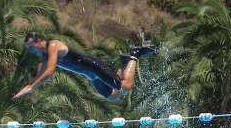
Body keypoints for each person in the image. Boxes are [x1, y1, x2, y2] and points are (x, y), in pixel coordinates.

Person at [13, 32, 155, 101]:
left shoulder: (53, 45)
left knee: (125, 88)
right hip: (90, 76)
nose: (32, 52)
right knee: (113, 96)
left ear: (39, 41)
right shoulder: (44, 56)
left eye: (31, 48)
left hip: (93, 67)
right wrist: (24, 90)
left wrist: (32, 87)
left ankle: (135, 54)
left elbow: (50, 71)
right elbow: (40, 76)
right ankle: (126, 62)